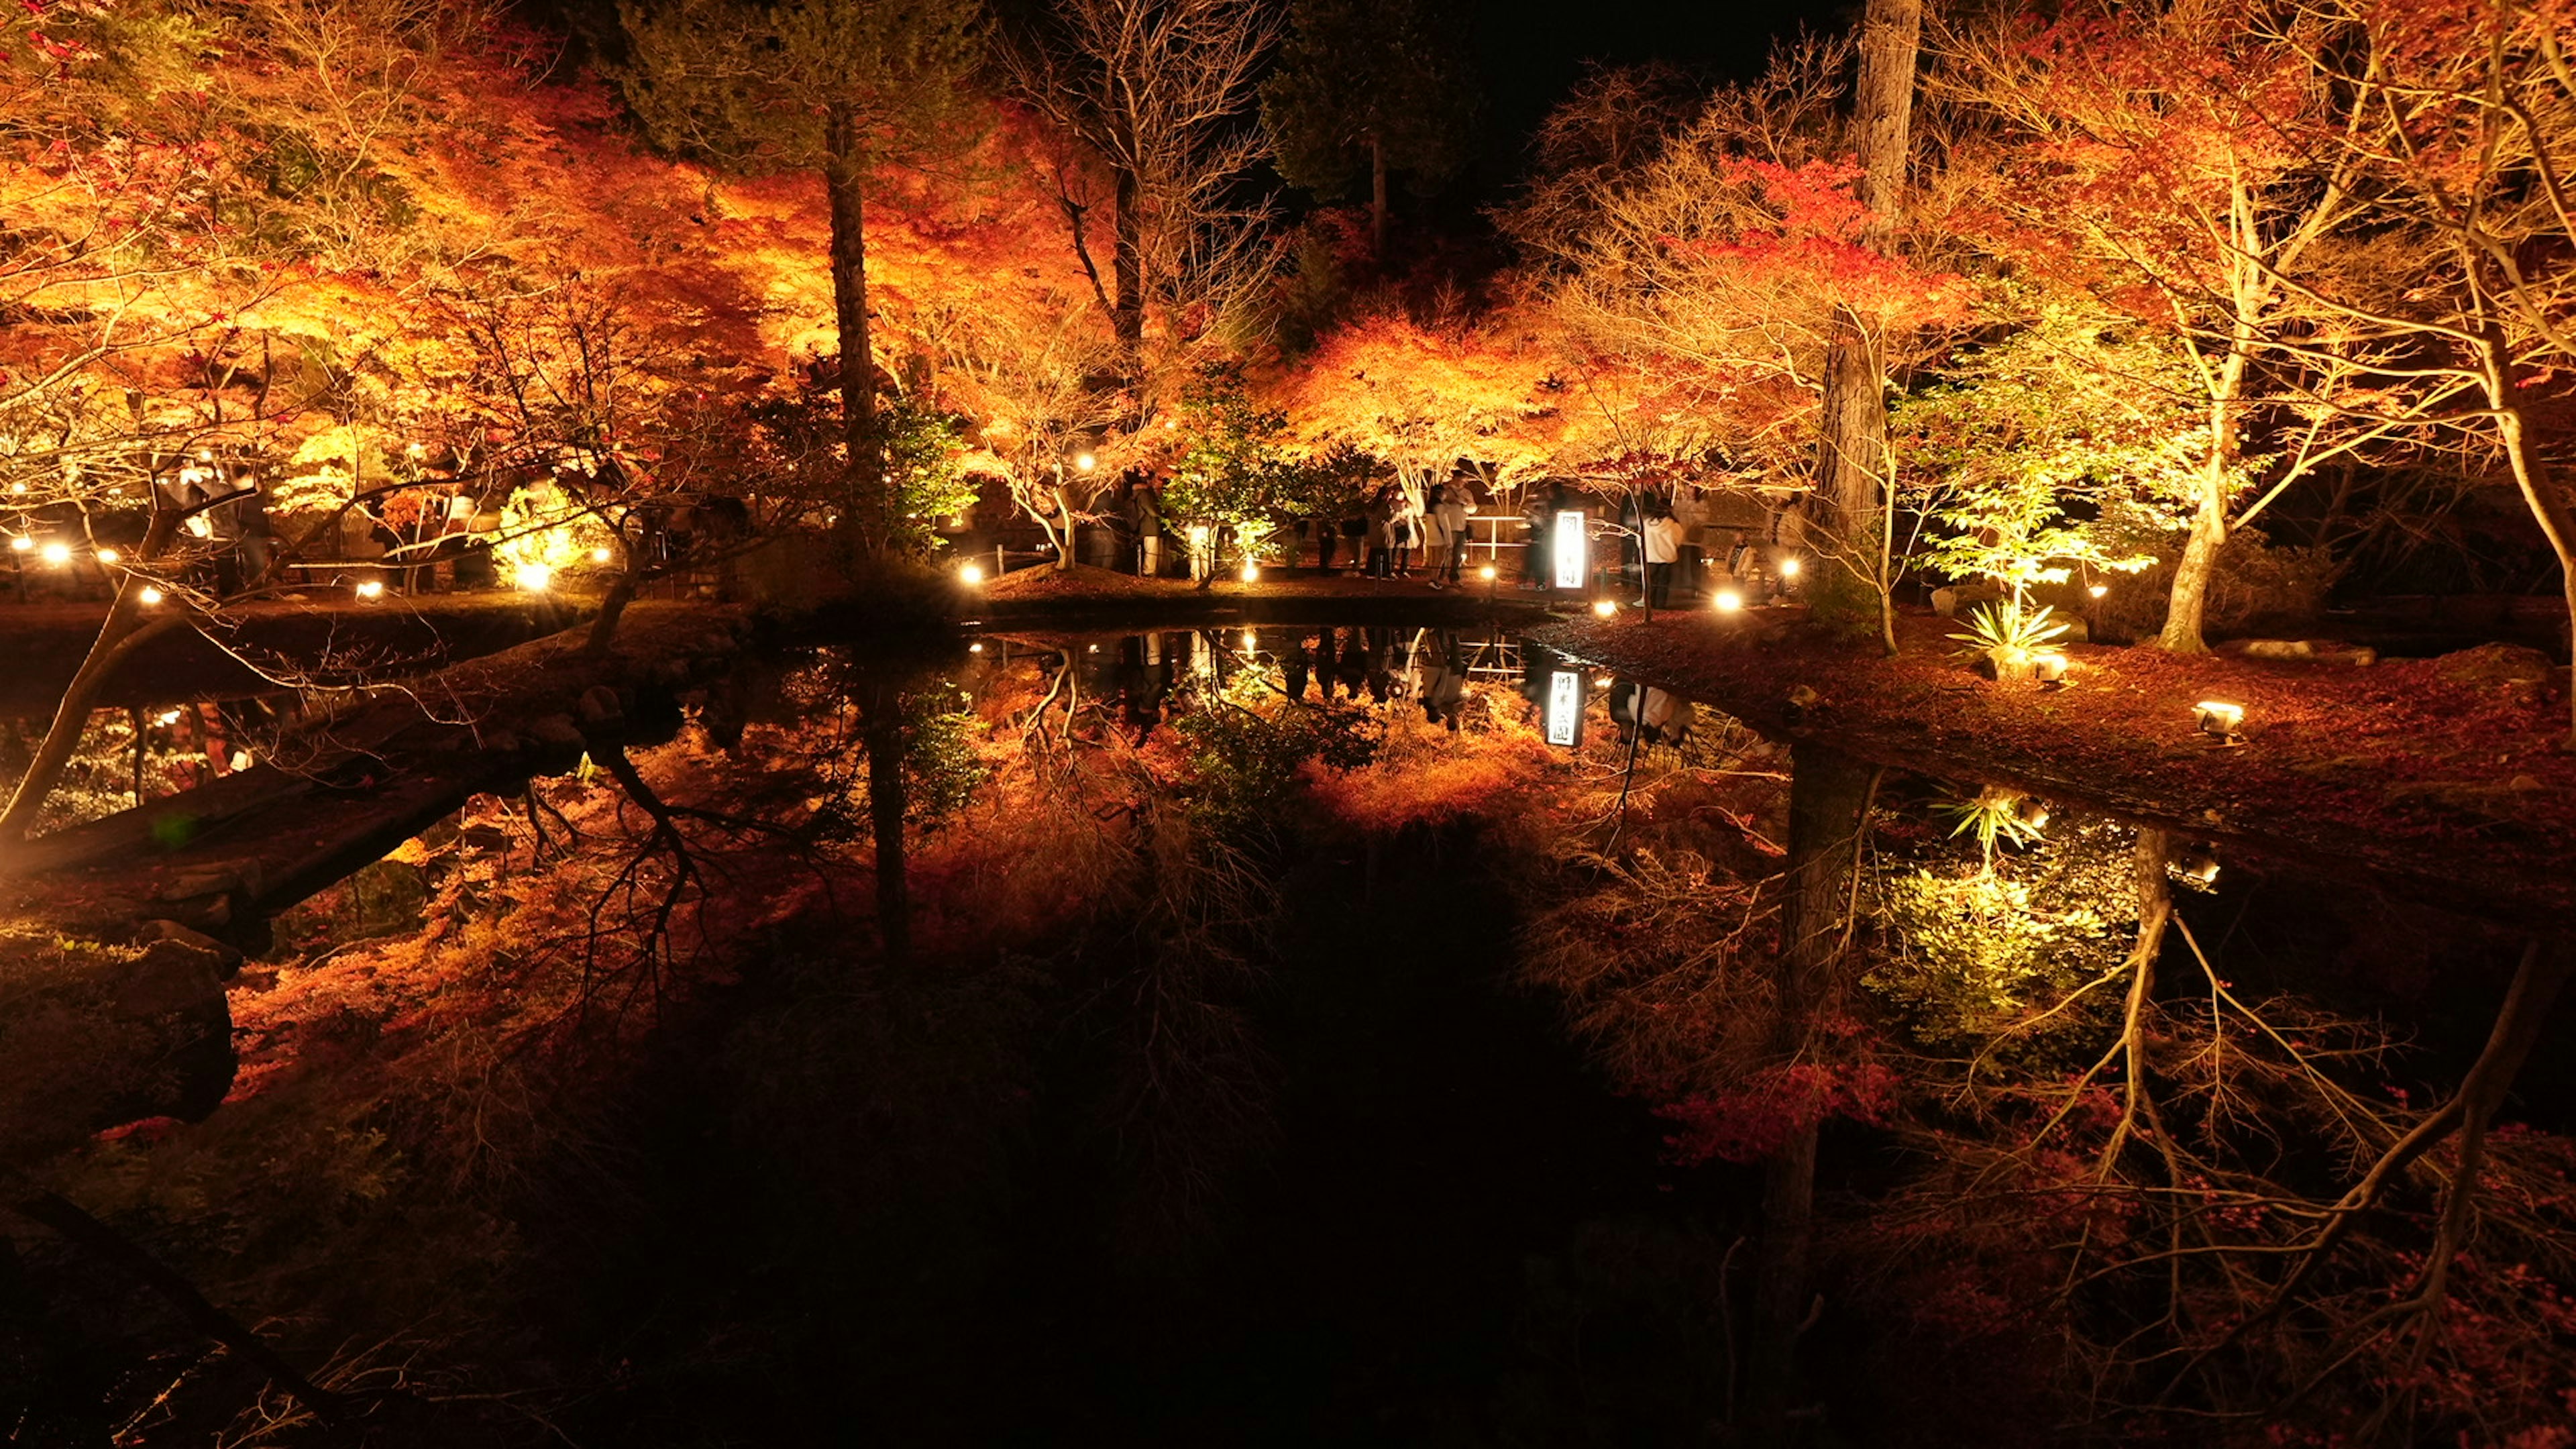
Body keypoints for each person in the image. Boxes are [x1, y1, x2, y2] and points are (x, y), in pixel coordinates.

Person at [1642, 501, 1685, 609]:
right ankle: (1661, 605)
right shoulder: (1673, 525)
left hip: (1650, 557)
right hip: (1667, 558)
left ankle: (1649, 604)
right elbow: (1679, 540)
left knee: (1650, 583)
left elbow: (1640, 541)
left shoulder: (1646, 524)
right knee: (1663, 583)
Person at [1435, 482, 1470, 585]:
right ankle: (1439, 577)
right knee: (1445, 554)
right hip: (1448, 527)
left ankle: (1454, 578)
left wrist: (1462, 501)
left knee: (1458, 554)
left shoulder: (1466, 493)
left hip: (1461, 526)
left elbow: (1471, 506)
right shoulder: (1444, 492)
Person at [1364, 486, 1397, 579]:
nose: (1391, 497)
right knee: (1386, 552)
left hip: (1374, 533)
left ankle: (1371, 572)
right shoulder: (1385, 506)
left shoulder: (1373, 505)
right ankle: (1386, 573)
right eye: (1390, 494)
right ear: (1385, 495)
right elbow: (1391, 518)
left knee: (1374, 552)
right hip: (1384, 532)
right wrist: (1397, 513)